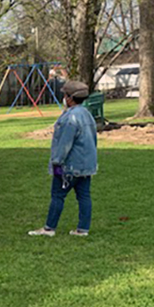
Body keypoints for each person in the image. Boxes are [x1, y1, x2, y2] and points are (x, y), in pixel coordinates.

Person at [28, 80, 98, 237]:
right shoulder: (87, 114)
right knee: (84, 196)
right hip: (87, 165)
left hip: (69, 166)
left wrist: (56, 163)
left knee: (57, 195)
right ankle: (83, 229)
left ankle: (49, 228)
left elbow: (65, 143)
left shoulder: (70, 118)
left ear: (69, 98)